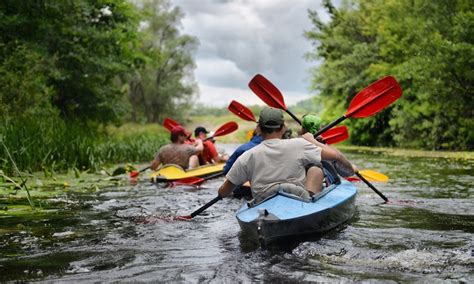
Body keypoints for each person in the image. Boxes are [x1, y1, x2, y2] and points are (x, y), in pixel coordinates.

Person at [217, 107, 356, 203]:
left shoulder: (247, 156)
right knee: (316, 170)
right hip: (297, 198)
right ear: (283, 128)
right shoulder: (299, 144)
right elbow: (336, 156)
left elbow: (223, 192)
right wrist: (312, 140)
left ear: (258, 128)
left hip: (262, 202)